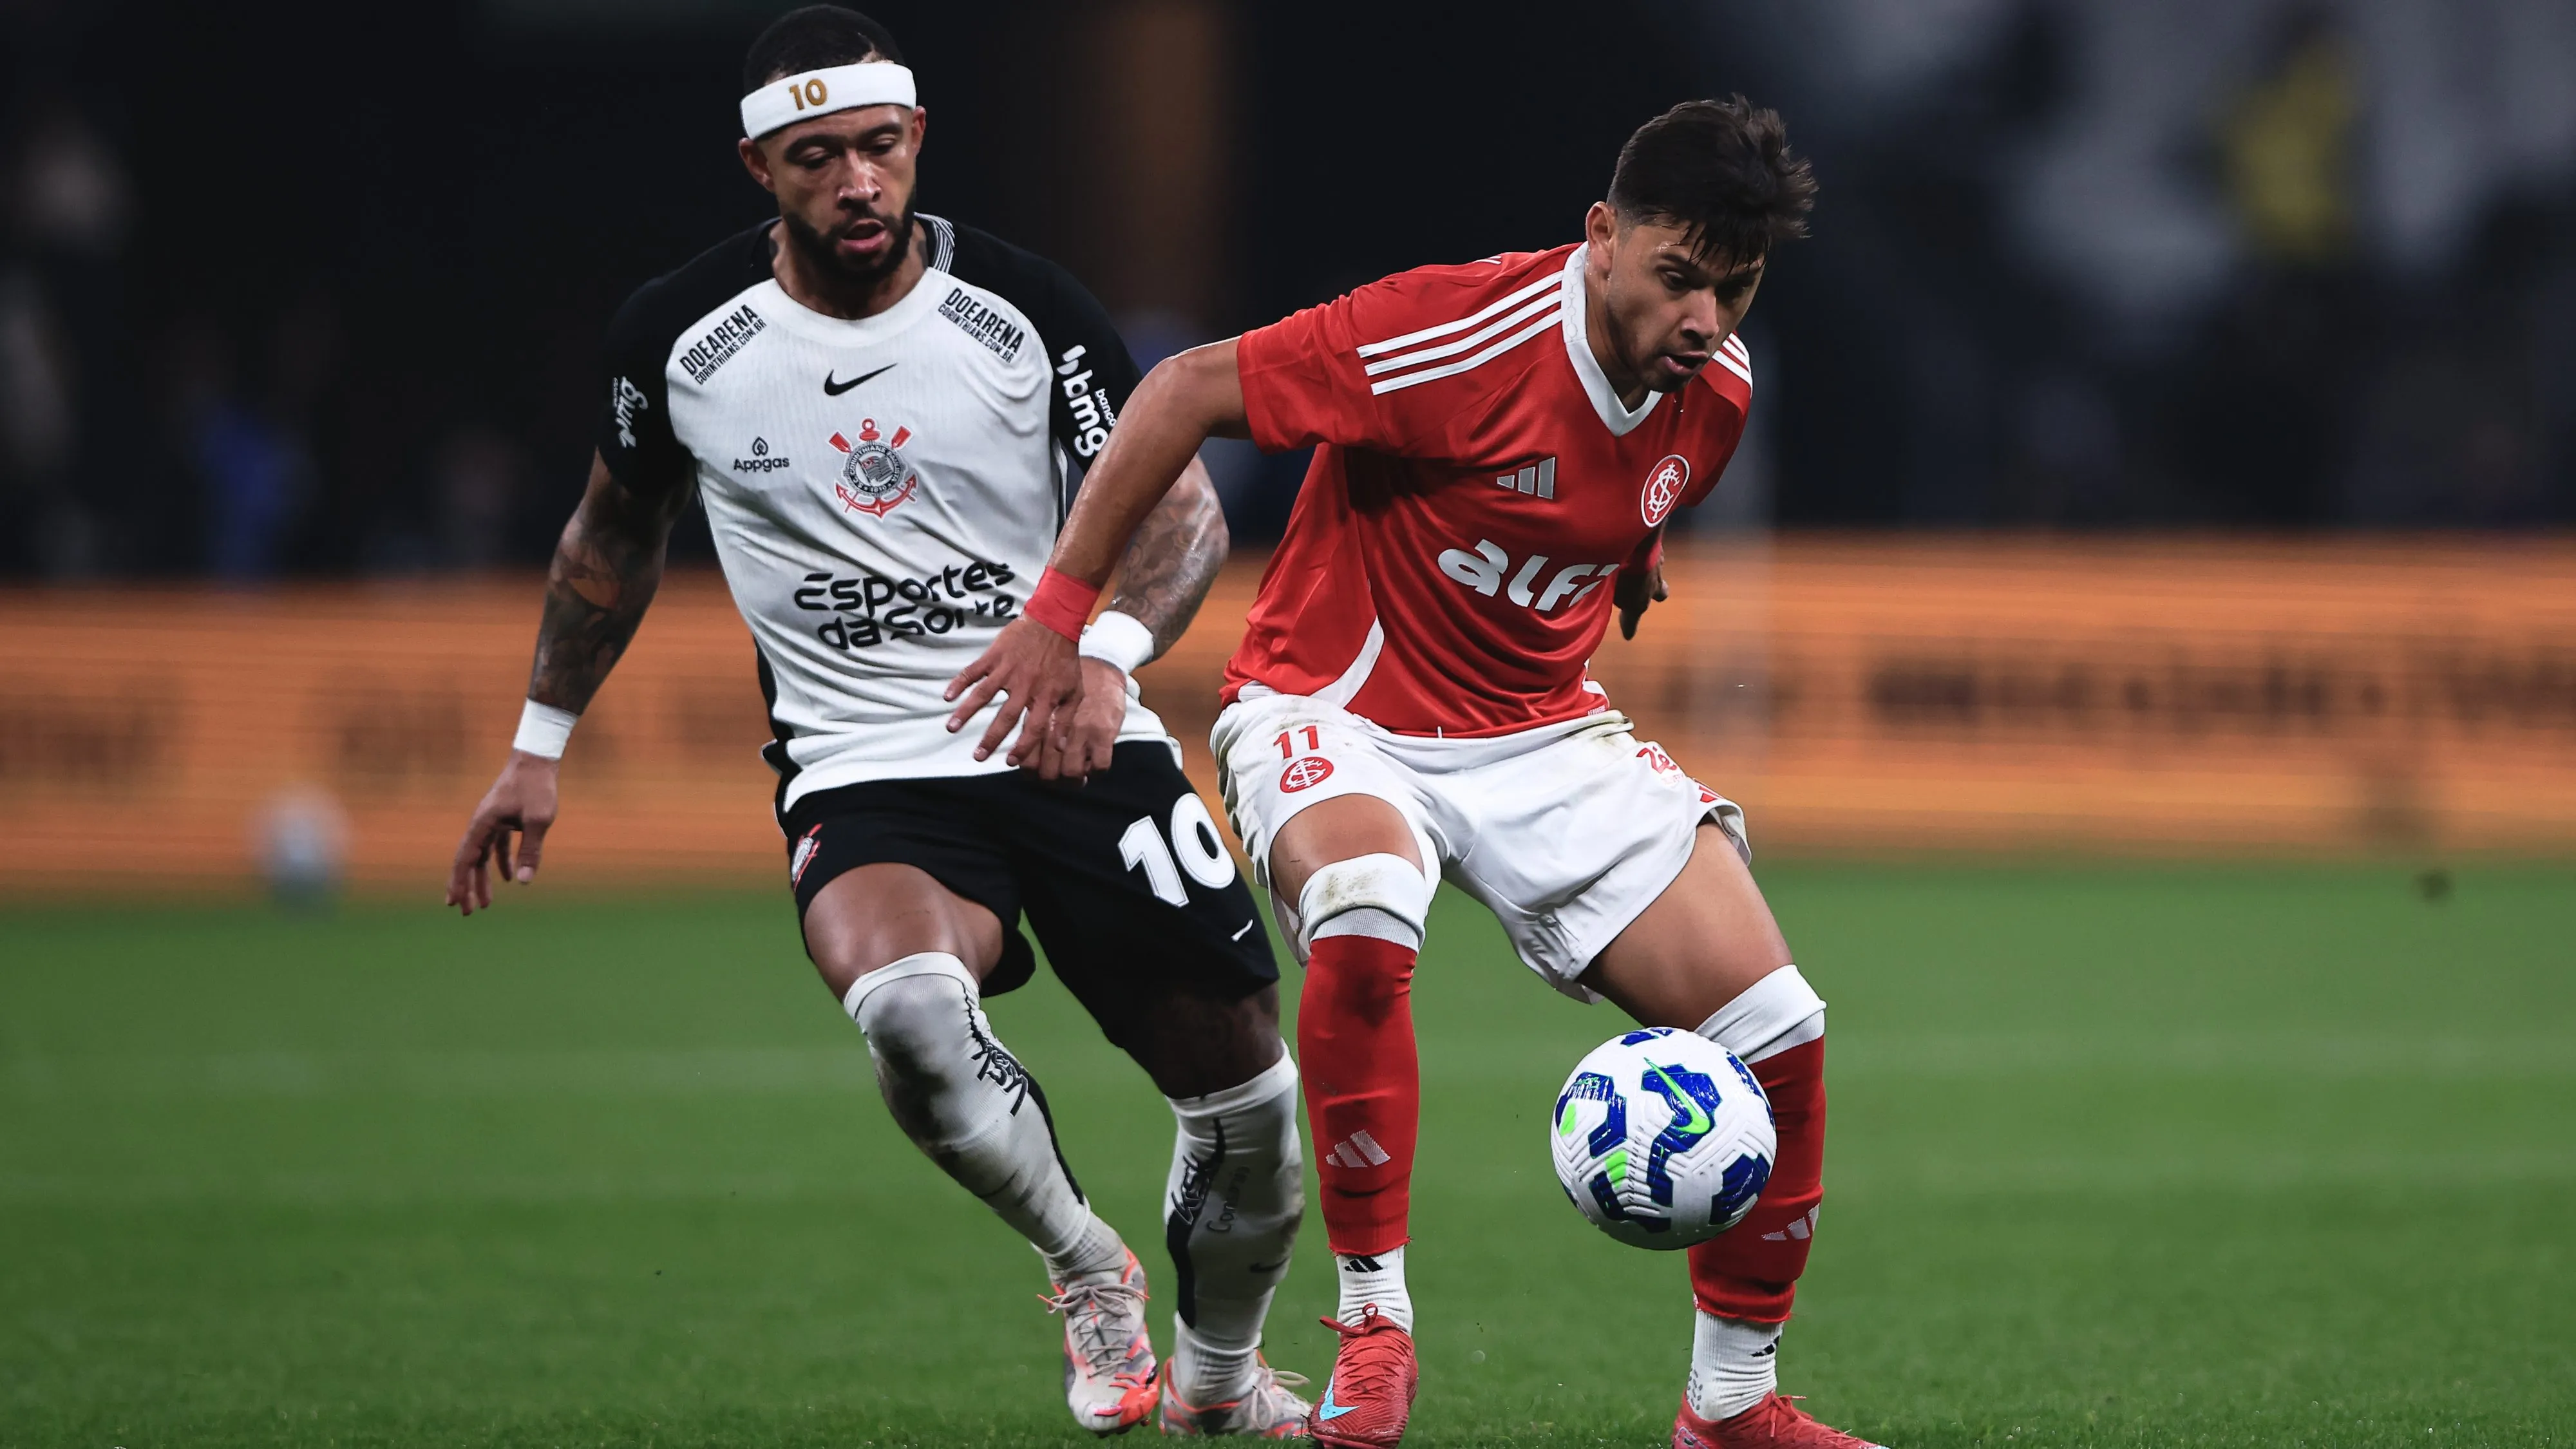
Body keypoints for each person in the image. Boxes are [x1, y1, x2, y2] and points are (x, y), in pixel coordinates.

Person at [442, 8, 1310, 1437]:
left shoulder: (1024, 311)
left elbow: (1185, 512)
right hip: (866, 768)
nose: (856, 182)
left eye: (878, 147)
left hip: (1074, 734)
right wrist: (538, 744)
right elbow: (611, 535)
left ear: (917, 143)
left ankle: (1220, 1379)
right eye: (817, 156)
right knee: (908, 1011)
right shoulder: (679, 338)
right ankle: (1084, 1267)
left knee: (1251, 1114)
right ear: (758, 166)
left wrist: (1099, 656)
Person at [950, 99, 1868, 1448]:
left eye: (1731, 290)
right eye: (1677, 278)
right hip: (1335, 708)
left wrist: (1633, 562)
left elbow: (1621, 496)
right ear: (1602, 237)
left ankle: (1728, 1406)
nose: (1703, 320)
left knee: (1781, 1029)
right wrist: (1058, 616)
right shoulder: (1451, 333)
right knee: (1370, 910)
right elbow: (1183, 389)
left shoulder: (1711, 393)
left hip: (1538, 730)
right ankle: (1374, 1324)